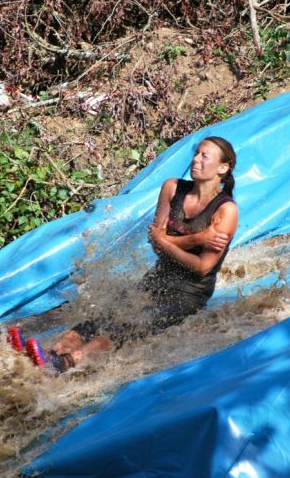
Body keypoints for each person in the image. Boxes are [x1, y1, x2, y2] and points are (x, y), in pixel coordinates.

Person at [23, 136, 239, 373]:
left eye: (204, 156)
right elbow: (155, 244)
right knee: (99, 320)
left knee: (129, 326)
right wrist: (196, 239)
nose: (195, 159)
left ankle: (67, 362)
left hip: (189, 293)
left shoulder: (225, 210)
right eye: (196, 153)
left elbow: (202, 266)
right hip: (157, 278)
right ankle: (46, 356)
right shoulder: (172, 187)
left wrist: (165, 240)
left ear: (222, 168)